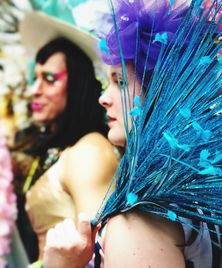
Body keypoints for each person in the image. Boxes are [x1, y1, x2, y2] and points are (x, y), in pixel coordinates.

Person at [43, 0, 222, 267]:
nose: (104, 98)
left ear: (163, 95)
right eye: (108, 82)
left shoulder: (140, 219)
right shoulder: (187, 196)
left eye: (121, 82)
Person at [18, 10, 119, 264]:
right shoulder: (64, 149)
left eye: (49, 79)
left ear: (77, 85)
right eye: (35, 78)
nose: (34, 91)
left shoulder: (90, 152)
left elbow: (100, 256)